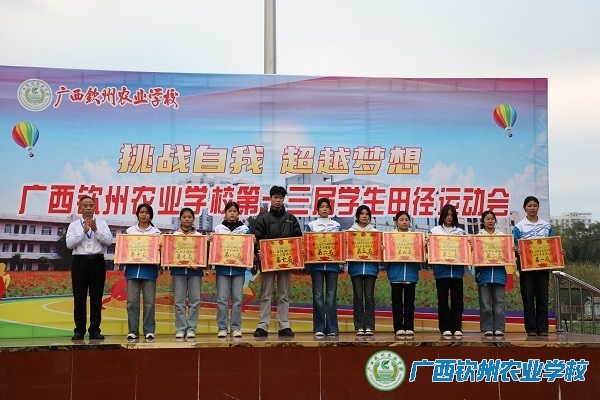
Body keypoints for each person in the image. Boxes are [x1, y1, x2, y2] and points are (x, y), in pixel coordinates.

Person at [253, 185, 302, 337]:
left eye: (281, 197)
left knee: (283, 294)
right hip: (267, 263)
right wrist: (258, 251)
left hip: (285, 262)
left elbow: (298, 239)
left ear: (283, 199)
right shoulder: (263, 219)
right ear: (270, 198)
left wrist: (296, 253)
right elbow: (257, 239)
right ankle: (263, 325)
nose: (278, 200)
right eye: (275, 197)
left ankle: (284, 325)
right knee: (266, 294)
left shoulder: (291, 219)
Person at [66, 195, 113, 341]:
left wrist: (96, 230)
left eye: (91, 205)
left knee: (96, 297)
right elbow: (69, 244)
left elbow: (109, 241)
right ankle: (79, 330)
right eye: (85, 206)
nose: (88, 208)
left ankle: (95, 330)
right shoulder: (74, 225)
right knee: (79, 297)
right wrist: (84, 232)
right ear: (80, 207)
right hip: (80, 262)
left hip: (97, 262)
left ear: (94, 207)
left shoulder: (102, 224)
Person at [513, 196, 556, 337]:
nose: (532, 208)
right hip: (526, 268)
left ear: (538, 207)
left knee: (543, 298)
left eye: (535, 205)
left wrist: (558, 251)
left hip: (543, 267)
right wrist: (517, 250)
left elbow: (552, 244)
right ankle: (531, 328)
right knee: (528, 298)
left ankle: (543, 328)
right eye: (529, 205)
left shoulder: (546, 226)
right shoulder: (519, 227)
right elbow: (514, 245)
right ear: (524, 208)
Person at [212, 201, 251, 338]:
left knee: (237, 300)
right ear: (225, 213)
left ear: (238, 213)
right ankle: (222, 328)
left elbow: (248, 249)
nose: (232, 213)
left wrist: (252, 243)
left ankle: (235, 328)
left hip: (239, 270)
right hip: (222, 270)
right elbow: (214, 249)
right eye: (230, 211)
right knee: (222, 300)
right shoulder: (218, 229)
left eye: (235, 211)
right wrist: (211, 241)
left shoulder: (245, 230)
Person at [305, 197, 342, 337]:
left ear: (330, 209)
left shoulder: (337, 226)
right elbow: (307, 245)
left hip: (332, 266)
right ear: (318, 209)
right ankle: (319, 327)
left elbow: (340, 246)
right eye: (322, 206)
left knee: (331, 297)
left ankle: (332, 328)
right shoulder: (312, 226)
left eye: (327, 206)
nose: (324, 209)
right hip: (317, 266)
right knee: (318, 296)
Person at [429, 203, 466, 337]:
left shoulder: (460, 232)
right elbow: (429, 250)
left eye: (451, 215)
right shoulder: (434, 231)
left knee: (457, 301)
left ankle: (457, 327)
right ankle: (445, 327)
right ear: (442, 216)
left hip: (457, 272)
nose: (449, 217)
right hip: (441, 272)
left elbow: (465, 251)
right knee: (443, 301)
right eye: (447, 215)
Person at [125, 204, 161, 341]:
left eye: (147, 212)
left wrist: (160, 250)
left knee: (149, 303)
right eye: (141, 212)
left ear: (151, 215)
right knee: (131, 302)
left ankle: (149, 330)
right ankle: (133, 331)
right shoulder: (129, 231)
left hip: (149, 272)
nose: (144, 215)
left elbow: (160, 253)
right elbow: (124, 249)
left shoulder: (156, 233)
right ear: (137, 214)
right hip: (132, 271)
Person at [171, 207, 203, 339]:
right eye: (184, 217)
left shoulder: (199, 237)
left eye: (189, 217)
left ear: (193, 219)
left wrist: (199, 263)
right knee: (179, 302)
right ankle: (180, 329)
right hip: (178, 272)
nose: (187, 219)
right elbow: (169, 255)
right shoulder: (173, 237)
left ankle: (191, 329)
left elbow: (203, 256)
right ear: (180, 219)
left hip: (195, 272)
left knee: (194, 301)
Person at [347, 205, 380, 336]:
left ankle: (369, 326)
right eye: (362, 213)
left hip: (371, 269)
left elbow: (379, 251)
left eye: (367, 214)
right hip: (356, 269)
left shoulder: (375, 232)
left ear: (369, 216)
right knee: (358, 297)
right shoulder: (350, 232)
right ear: (357, 216)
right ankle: (360, 326)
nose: (364, 216)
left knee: (369, 296)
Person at [386, 211, 419, 336]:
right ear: (396, 222)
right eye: (401, 219)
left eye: (406, 220)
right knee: (397, 303)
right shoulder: (390, 237)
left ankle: (409, 327)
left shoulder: (415, 237)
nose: (404, 222)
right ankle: (398, 327)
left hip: (411, 275)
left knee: (410, 304)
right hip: (396, 275)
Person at [476, 210, 507, 337]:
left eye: (492, 219)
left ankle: (499, 328)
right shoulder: (478, 237)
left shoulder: (503, 237)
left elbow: (507, 254)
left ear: (495, 221)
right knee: (485, 303)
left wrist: (511, 250)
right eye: (487, 219)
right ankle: (487, 327)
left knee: (499, 302)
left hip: (499, 275)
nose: (490, 221)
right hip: (483, 275)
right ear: (483, 221)